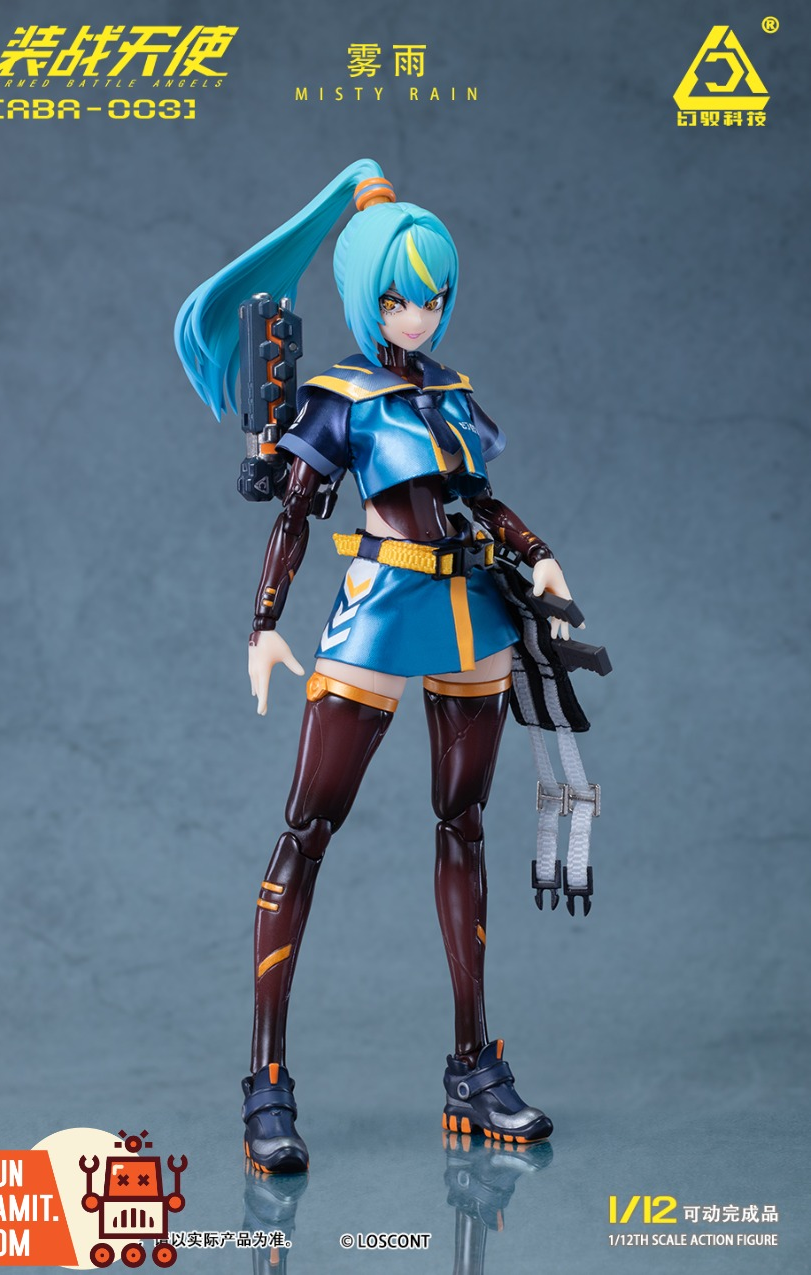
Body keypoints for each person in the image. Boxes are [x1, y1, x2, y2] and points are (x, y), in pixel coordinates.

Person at [175, 160, 576, 1173]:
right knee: (307, 828)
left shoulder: (450, 390)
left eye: (432, 298)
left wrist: (540, 557)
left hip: (472, 613)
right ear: (367, 298)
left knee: (464, 823)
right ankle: (266, 1081)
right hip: (380, 610)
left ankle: (472, 1069)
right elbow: (295, 512)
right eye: (399, 298)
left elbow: (477, 499)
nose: (417, 315)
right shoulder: (341, 396)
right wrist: (264, 625)